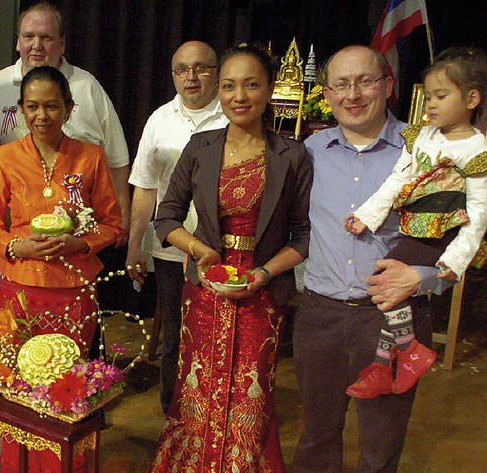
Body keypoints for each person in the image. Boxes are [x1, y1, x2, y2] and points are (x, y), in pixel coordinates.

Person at [150, 42, 312, 472]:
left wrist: (262, 272)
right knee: (197, 391)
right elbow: (165, 218)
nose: (239, 96)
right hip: (204, 289)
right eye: (229, 86)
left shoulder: (292, 156)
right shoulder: (201, 146)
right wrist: (201, 251)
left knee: (250, 397)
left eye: (251, 84)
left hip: (261, 293)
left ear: (270, 89)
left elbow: (303, 236)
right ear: (219, 91)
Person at [295, 44, 452, 472]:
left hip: (393, 318)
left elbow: (465, 240)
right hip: (319, 316)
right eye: (341, 84)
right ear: (326, 94)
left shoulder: (426, 153)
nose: (353, 93)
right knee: (316, 439)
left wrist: (422, 277)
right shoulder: (308, 153)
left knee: (382, 447)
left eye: (365, 80)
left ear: (387, 85)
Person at [0, 65, 122, 471]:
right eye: (33, 107)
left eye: (52, 106)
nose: (42, 116)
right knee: (20, 380)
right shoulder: (2, 158)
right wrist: (13, 245)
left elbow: (112, 224)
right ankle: (19, 461)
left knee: (68, 380)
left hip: (74, 287)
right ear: (21, 110)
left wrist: (81, 242)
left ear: (69, 108)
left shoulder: (90, 157)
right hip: (20, 289)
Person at [344, 46, 487, 398]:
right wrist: (366, 216)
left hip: (441, 233)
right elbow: (396, 182)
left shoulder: (479, 154)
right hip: (413, 225)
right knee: (390, 291)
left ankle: (407, 351)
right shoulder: (422, 136)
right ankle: (387, 363)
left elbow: (478, 218)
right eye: (429, 96)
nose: (431, 103)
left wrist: (454, 261)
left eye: (442, 96)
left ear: (473, 98)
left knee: (382, 284)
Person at [126, 40, 229, 413]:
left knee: (217, 336)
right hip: (171, 248)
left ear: (216, 73)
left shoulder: (233, 116)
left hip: (224, 248)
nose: (191, 77)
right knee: (175, 335)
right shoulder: (159, 119)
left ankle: (215, 414)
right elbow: (145, 186)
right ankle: (175, 414)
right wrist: (135, 244)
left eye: (201, 68)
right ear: (172, 75)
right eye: (182, 69)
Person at [0, 1, 130, 244]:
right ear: (18, 42)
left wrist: (122, 223)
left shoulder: (88, 87)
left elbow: (117, 161)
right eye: (28, 36)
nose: (36, 45)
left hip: (78, 240)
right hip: (13, 237)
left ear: (62, 43)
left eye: (46, 37)